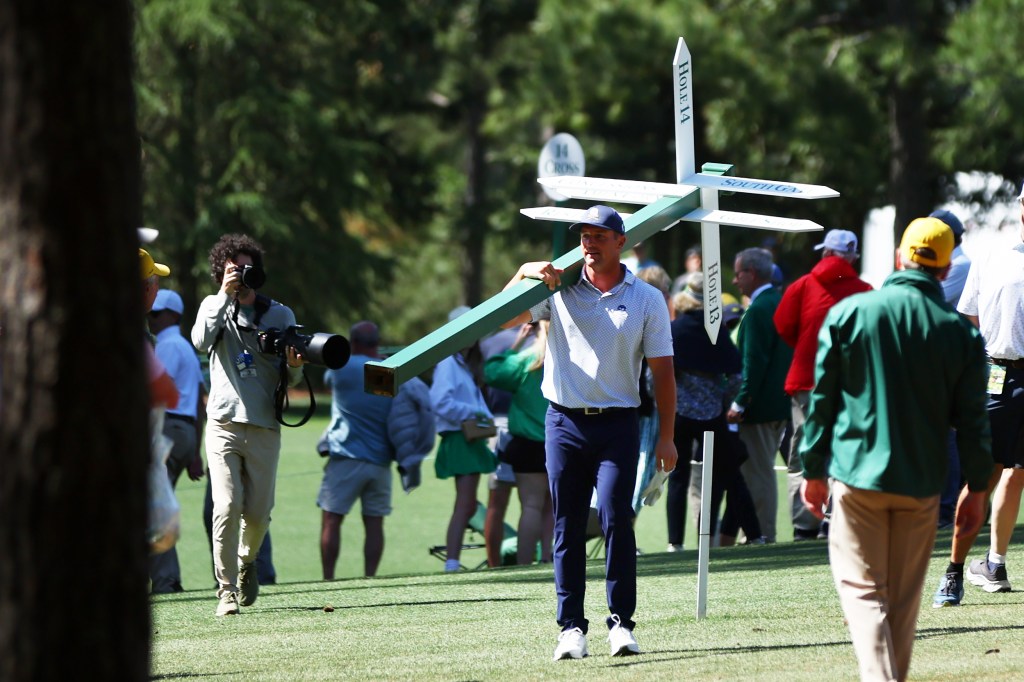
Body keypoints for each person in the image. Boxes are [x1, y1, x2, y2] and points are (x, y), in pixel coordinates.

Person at [800, 217, 992, 682]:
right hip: (921, 483)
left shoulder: (851, 314)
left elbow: (821, 400)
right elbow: (973, 423)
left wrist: (813, 468)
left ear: (899, 257)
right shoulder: (961, 335)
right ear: (945, 271)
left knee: (865, 594)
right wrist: (978, 489)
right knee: (902, 607)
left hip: (857, 475)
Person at [501, 204, 677, 660]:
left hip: (619, 422)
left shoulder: (646, 298)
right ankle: (571, 628)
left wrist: (667, 437)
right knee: (568, 523)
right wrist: (522, 273)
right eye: (584, 235)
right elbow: (500, 320)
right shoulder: (554, 287)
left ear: (622, 242)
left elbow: (663, 374)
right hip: (563, 421)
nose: (589, 243)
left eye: (600, 235)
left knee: (617, 515)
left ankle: (620, 623)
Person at [191, 234, 307, 616]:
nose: (243, 275)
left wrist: (295, 366)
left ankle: (246, 562)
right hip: (223, 422)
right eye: (234, 268)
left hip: (263, 424)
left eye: (247, 268)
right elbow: (198, 341)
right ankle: (225, 591)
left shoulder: (280, 314)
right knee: (225, 505)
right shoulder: (212, 306)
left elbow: (290, 381)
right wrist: (224, 296)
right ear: (220, 272)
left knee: (258, 513)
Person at [932, 187, 1024, 605]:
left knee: (1017, 472)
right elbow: (969, 318)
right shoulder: (992, 254)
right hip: (1000, 375)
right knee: (983, 475)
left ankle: (995, 563)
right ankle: (954, 572)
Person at [773, 229, 871, 541]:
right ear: (852, 256)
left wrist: (806, 347)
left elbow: (783, 326)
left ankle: (805, 523)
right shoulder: (865, 290)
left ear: (826, 254)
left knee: (804, 449)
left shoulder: (802, 285)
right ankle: (836, 518)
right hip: (849, 384)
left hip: (806, 379)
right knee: (845, 449)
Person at [665, 274, 762, 550]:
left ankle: (675, 543)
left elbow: (658, 374)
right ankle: (755, 535)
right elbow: (734, 377)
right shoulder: (715, 330)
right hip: (712, 414)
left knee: (678, 477)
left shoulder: (675, 329)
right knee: (732, 473)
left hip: (680, 413)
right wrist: (724, 398)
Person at [726, 247, 792, 543]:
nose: (736, 281)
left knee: (759, 473)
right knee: (761, 470)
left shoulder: (758, 310)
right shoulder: (779, 302)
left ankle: (763, 533)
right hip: (779, 404)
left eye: (739, 273)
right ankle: (758, 531)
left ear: (751, 274)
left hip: (760, 407)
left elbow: (753, 364)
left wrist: (740, 402)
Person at [319, 321, 394, 579]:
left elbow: (328, 381)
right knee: (374, 523)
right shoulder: (387, 369)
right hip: (381, 460)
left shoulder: (342, 367)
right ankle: (370, 577)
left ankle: (328, 577)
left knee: (331, 519)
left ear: (352, 342)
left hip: (345, 457)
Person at [430, 306, 496, 572]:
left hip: (467, 438)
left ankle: (453, 561)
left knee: (467, 503)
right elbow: (440, 402)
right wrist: (476, 412)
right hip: (460, 438)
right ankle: (452, 562)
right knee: (465, 503)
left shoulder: (459, 361)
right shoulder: (448, 362)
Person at [147, 288, 205, 593]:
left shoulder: (167, 345)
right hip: (185, 431)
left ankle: (166, 580)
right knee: (156, 504)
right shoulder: (185, 347)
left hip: (167, 428)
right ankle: (164, 577)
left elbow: (155, 392)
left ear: (173, 315)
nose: (150, 318)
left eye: (155, 313)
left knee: (153, 507)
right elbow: (199, 404)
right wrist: (195, 450)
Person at [484, 321, 553, 565]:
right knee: (553, 507)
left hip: (528, 445)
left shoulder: (526, 359)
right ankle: (548, 558)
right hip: (559, 442)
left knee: (531, 507)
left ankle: (524, 564)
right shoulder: (568, 358)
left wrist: (514, 345)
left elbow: (492, 372)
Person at [929, 209, 971, 530]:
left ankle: (946, 510)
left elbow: (931, 300)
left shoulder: (960, 265)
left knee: (948, 436)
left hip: (949, 360)